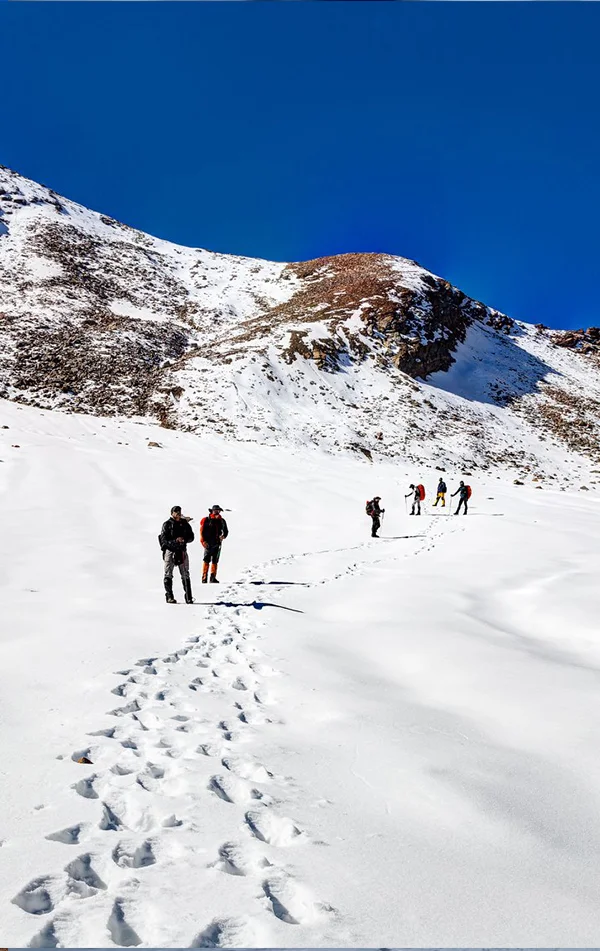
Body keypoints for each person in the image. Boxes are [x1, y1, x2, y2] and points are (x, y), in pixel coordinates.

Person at [159, 505, 194, 604]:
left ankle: (189, 597)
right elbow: (163, 540)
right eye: (176, 511)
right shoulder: (167, 524)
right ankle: (169, 596)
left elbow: (191, 537)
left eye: (179, 511)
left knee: (185, 574)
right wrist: (175, 541)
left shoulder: (184, 524)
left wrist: (184, 540)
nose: (178, 513)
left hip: (182, 551)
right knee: (168, 574)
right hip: (170, 551)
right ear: (172, 513)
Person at [200, 504, 229, 583]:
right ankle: (204, 577)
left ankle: (213, 577)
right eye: (215, 510)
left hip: (217, 543)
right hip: (208, 543)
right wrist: (203, 541)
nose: (217, 512)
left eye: (218, 510)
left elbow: (226, 531)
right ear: (212, 511)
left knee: (215, 560)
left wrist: (223, 536)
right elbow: (202, 532)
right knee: (206, 559)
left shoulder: (222, 521)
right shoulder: (206, 520)